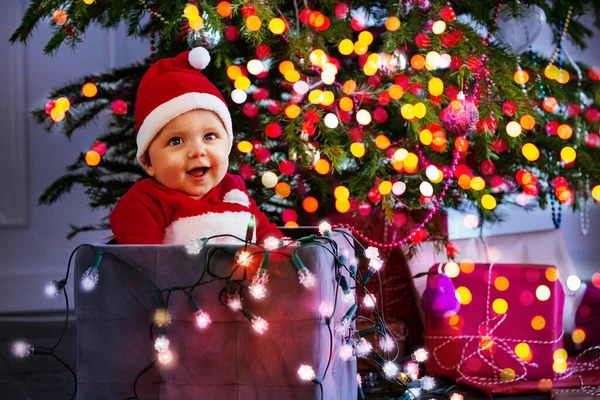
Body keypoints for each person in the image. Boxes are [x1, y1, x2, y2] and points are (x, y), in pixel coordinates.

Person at [110, 47, 282, 245]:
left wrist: (285, 256)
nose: (198, 151)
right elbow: (144, 264)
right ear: (149, 163)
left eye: (210, 136)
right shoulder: (146, 201)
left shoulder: (234, 190)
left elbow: (268, 237)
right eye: (176, 141)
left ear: (227, 145)